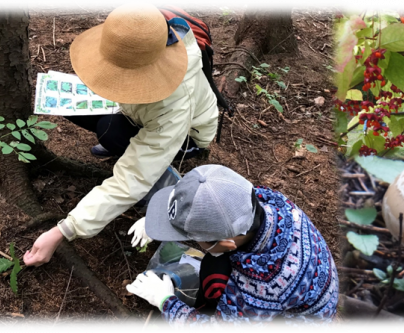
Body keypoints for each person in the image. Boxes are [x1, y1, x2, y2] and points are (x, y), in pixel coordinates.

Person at [23, 3, 218, 267]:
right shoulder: (147, 41)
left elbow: (132, 177)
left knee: (110, 131)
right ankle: (125, 141)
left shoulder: (174, 103)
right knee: (78, 109)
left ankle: (156, 171)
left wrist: (64, 230)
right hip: (139, 112)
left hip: (187, 137)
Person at [126, 165, 340, 331]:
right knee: (214, 262)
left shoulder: (263, 284)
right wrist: (162, 219)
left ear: (226, 244)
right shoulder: (267, 201)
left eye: (190, 235)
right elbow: (213, 208)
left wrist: (165, 301)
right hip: (299, 298)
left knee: (214, 268)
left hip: (287, 325)